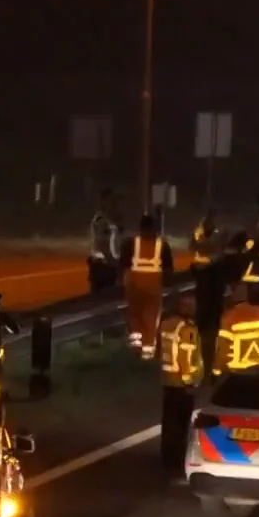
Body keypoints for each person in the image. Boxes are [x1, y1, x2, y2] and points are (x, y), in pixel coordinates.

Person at [157, 296, 206, 475]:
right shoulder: (187, 329)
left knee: (168, 422)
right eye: (192, 306)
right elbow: (186, 358)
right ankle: (177, 461)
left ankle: (166, 457)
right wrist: (189, 382)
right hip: (182, 385)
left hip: (167, 380)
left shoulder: (166, 324)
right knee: (181, 424)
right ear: (186, 308)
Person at [124, 214, 174, 360]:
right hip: (153, 290)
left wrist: (123, 283)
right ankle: (147, 354)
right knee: (150, 321)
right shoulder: (162, 245)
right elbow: (169, 270)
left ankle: (135, 349)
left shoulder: (130, 243)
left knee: (134, 318)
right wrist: (169, 285)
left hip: (133, 288)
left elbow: (123, 267)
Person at [213, 282, 259, 375]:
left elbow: (223, 350)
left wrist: (217, 371)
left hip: (236, 374)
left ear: (233, 295)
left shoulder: (228, 317)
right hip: (257, 373)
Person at [189, 209, 227, 345]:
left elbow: (220, 253)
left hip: (214, 278)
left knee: (213, 310)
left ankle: (211, 333)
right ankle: (204, 332)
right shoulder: (200, 235)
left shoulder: (218, 236)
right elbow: (193, 247)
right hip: (202, 277)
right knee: (204, 310)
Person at [87, 190, 123, 296]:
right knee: (103, 298)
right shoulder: (101, 220)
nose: (114, 204)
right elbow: (103, 245)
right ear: (103, 202)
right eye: (111, 201)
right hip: (103, 266)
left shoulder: (109, 220)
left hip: (108, 265)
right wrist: (115, 264)